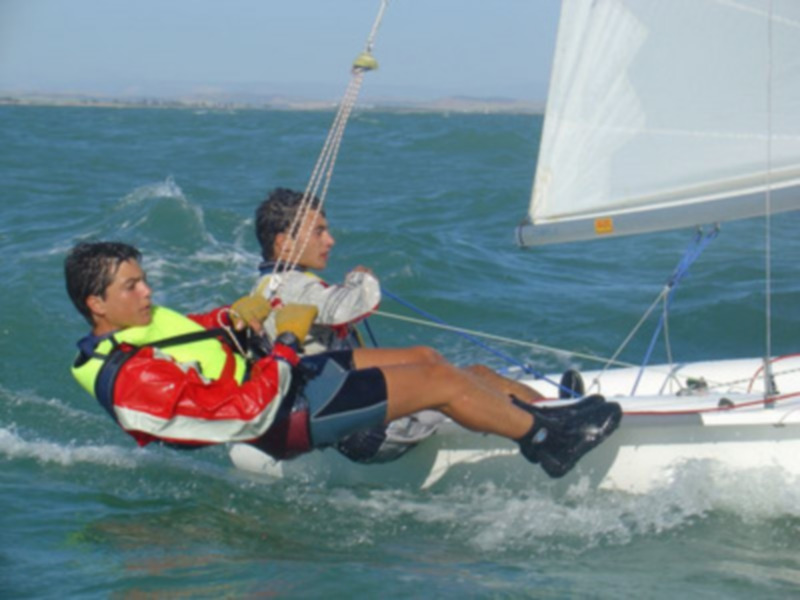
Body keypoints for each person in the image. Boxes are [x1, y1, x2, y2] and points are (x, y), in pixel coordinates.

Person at [65, 241, 622, 479]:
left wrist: (232, 317)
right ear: (97, 304)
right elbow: (243, 416)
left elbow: (193, 345)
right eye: (133, 286)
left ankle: (550, 414)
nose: (148, 292)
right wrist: (284, 343)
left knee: (428, 358)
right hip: (285, 419)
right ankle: (550, 443)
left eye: (144, 280)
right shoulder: (130, 381)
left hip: (288, 383)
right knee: (439, 381)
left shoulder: (141, 326)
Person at [251, 187, 547, 463]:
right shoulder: (288, 287)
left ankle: (548, 411)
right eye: (319, 231)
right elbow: (347, 306)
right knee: (454, 379)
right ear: (284, 243)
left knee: (473, 373)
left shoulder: (270, 287)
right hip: (369, 429)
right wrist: (359, 282)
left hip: (351, 421)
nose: (330, 240)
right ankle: (549, 427)